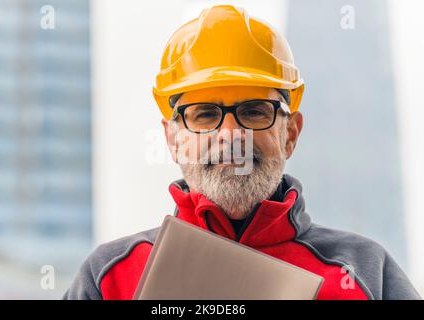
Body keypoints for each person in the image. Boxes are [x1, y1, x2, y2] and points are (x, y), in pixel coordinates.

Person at [63, 5, 420, 300]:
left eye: (254, 111)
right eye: (204, 114)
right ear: (173, 140)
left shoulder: (366, 273)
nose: (232, 135)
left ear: (290, 133)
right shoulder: (108, 278)